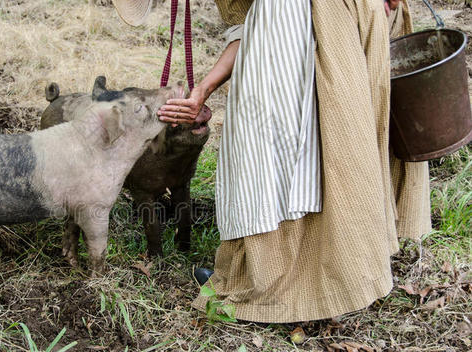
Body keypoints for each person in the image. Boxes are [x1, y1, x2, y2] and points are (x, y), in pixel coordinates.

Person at [115, 0, 431, 323]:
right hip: (305, 25)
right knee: (318, 149)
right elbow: (246, 27)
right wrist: (203, 91)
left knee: (279, 151)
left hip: (322, 26)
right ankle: (321, 281)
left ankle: (283, 288)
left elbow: (256, 24)